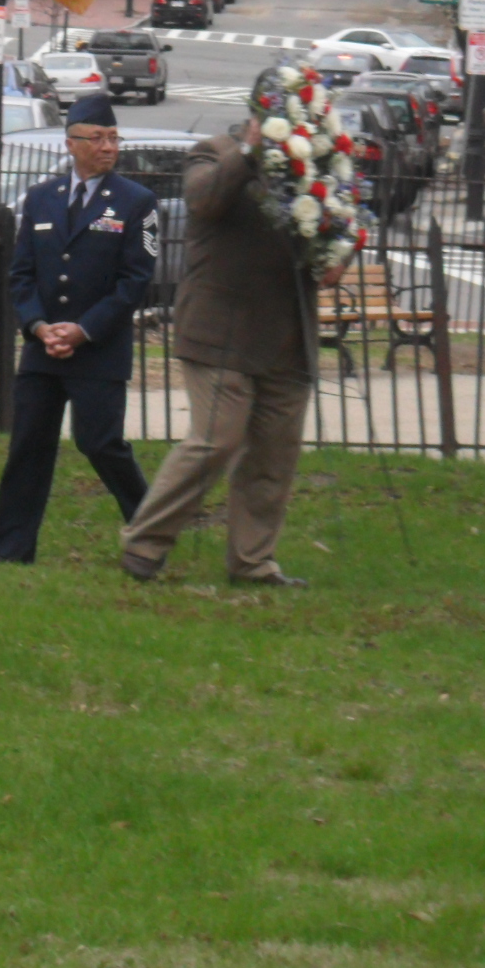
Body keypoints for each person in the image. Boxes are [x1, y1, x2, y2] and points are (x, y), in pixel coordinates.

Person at [118, 81, 316, 588]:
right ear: (257, 116)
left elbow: (322, 231)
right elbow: (204, 201)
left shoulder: (308, 166)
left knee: (274, 455)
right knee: (216, 440)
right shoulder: (215, 154)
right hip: (220, 331)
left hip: (286, 335)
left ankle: (253, 561)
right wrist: (250, 152)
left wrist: (336, 253)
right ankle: (144, 543)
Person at [0, 93, 158, 564]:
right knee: (28, 448)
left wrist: (84, 330)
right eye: (97, 138)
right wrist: (39, 326)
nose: (108, 147)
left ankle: (150, 527)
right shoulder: (42, 199)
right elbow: (21, 274)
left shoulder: (136, 202)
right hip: (44, 350)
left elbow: (135, 281)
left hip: (97, 349)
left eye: (113, 137)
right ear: (71, 143)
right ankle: (10, 552)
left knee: (100, 443)